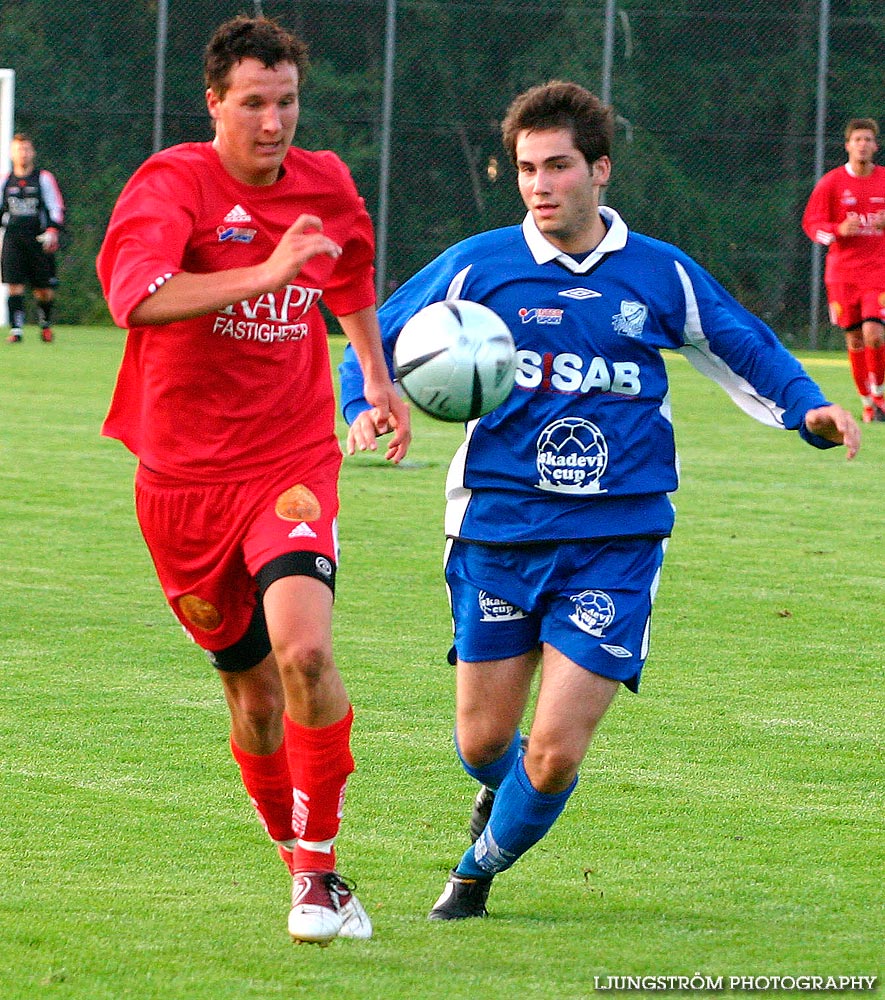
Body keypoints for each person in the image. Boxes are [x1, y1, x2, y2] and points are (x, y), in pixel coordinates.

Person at [339, 80, 860, 921]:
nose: (539, 185)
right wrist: (364, 401)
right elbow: (380, 335)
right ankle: (495, 799)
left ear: (600, 170)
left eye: (557, 166)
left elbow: (740, 343)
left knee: (549, 756)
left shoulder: (657, 272)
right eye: (525, 168)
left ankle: (472, 874)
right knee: (482, 745)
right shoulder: (481, 263)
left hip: (616, 540)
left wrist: (808, 408)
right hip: (497, 529)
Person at [96, 15, 410, 946]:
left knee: (303, 653)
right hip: (181, 479)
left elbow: (347, 271)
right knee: (252, 695)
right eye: (254, 104)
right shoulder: (173, 184)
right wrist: (262, 270)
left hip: (290, 457)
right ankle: (299, 854)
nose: (274, 123)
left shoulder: (325, 183)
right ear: (215, 105)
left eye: (286, 103)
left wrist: (376, 382)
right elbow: (136, 299)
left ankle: (316, 878)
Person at [802, 118, 885, 423]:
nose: (863, 144)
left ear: (875, 146)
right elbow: (812, 226)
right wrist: (838, 230)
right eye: (857, 139)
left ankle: (878, 393)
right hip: (843, 274)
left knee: (874, 333)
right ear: (848, 145)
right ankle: (868, 403)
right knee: (855, 341)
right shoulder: (832, 183)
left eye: (868, 139)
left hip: (878, 271)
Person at [1, 133, 65, 343]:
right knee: (14, 285)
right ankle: (16, 330)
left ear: (33, 152)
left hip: (38, 240)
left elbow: (56, 207)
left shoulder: (43, 178)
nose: (23, 154)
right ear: (12, 153)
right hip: (13, 239)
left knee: (43, 289)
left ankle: (45, 325)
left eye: (27, 149)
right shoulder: (5, 181)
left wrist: (52, 231)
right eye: (19, 150)